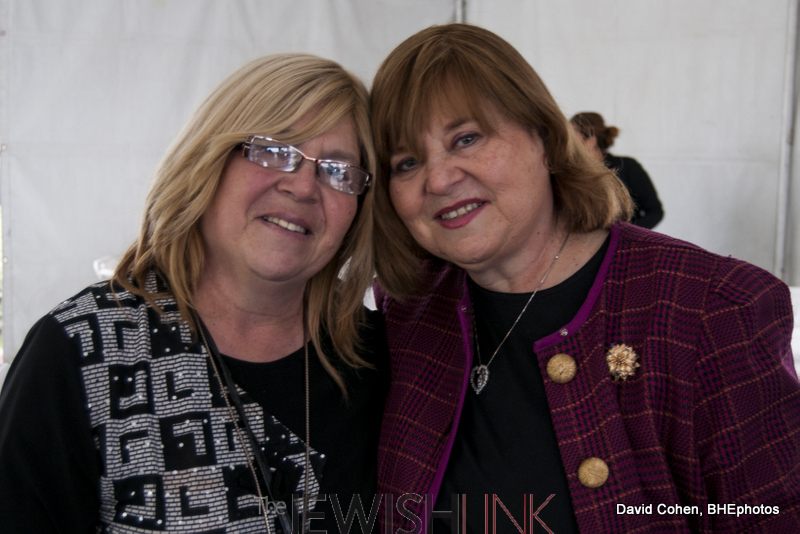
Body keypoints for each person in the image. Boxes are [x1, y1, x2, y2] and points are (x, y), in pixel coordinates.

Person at [369, 23, 799, 533]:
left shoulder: (711, 309)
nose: (438, 179)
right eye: (407, 162)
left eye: (466, 139)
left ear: (545, 140)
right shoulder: (409, 311)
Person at [0, 53, 387, 533]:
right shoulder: (83, 350)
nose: (304, 186)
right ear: (209, 160)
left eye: (337, 171)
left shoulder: (381, 357)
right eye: (273, 149)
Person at [570, 111, 664, 229]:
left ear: (591, 140)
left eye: (572, 137)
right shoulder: (570, 172)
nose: (568, 143)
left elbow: (655, 212)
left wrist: (627, 234)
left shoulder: (628, 166)